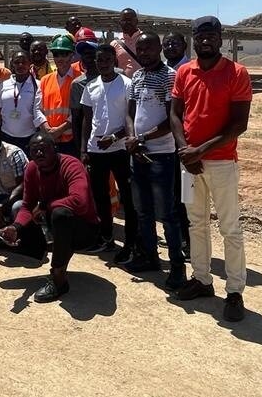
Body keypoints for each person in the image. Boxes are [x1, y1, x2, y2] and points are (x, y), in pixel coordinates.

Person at [170, 16, 253, 322]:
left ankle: (234, 292)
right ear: (193, 39)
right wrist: (184, 152)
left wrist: (200, 151)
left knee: (230, 228)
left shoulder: (236, 73)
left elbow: (238, 125)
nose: (205, 40)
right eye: (199, 35)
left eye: (211, 35)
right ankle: (202, 280)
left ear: (220, 39)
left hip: (221, 162)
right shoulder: (184, 72)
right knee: (196, 224)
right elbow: (175, 114)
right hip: (189, 163)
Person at [0, 133, 100, 303]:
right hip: (54, 223)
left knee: (60, 214)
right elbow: (27, 206)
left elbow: (80, 202)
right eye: (35, 151)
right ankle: (40, 250)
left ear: (55, 149)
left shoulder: (71, 165)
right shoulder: (32, 169)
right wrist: (15, 227)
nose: (39, 154)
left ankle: (58, 278)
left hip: (85, 230)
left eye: (43, 149)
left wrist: (44, 205)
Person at [124, 32, 186, 286]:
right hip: (137, 153)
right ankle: (149, 256)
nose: (144, 52)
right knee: (143, 211)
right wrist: (131, 139)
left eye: (149, 48)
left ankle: (177, 267)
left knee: (167, 213)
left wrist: (144, 138)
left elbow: (173, 119)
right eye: (140, 49)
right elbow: (130, 114)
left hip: (161, 154)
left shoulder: (170, 76)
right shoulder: (137, 77)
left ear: (159, 48)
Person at [80, 43, 137, 257]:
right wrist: (84, 149)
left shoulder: (127, 84)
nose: (103, 63)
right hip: (96, 151)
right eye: (99, 60)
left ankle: (131, 243)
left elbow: (132, 117)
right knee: (100, 197)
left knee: (127, 198)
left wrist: (114, 138)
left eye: (107, 59)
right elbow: (87, 121)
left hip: (120, 149)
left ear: (114, 61)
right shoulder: (91, 86)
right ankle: (106, 238)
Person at [162, 31, 191, 259]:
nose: (170, 47)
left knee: (187, 196)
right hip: (165, 144)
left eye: (175, 42)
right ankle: (179, 238)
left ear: (184, 45)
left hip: (185, 143)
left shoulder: (189, 70)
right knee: (171, 193)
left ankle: (190, 242)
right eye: (167, 44)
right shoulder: (163, 71)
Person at [37, 34, 78, 157]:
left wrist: (60, 129)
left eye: (64, 54)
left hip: (72, 140)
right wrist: (47, 128)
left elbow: (80, 111)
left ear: (72, 55)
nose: (60, 58)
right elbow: (38, 108)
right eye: (56, 54)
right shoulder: (45, 80)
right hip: (49, 139)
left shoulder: (80, 79)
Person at [0, 50, 44, 151]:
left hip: (29, 138)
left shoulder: (38, 85)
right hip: (6, 137)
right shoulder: (3, 85)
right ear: (12, 64)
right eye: (17, 62)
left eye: (24, 62)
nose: (20, 65)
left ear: (30, 63)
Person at [69, 30, 100, 156]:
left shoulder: (119, 76)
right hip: (91, 144)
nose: (89, 57)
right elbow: (76, 120)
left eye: (92, 53)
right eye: (85, 54)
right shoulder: (78, 84)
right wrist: (81, 150)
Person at [112, 7, 143, 78]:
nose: (127, 23)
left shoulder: (146, 39)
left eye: (129, 20)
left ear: (136, 21)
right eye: (124, 20)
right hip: (123, 86)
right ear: (120, 23)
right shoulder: (114, 43)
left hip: (145, 85)